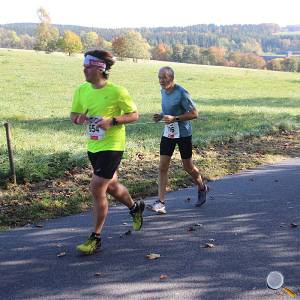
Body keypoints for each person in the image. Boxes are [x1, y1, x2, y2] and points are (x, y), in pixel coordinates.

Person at [70, 50, 145, 255]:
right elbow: (74, 115)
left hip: (112, 146)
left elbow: (134, 114)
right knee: (111, 186)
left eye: (88, 66)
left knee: (96, 187)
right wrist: (79, 119)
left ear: (100, 68)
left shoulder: (117, 91)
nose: (84, 69)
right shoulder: (81, 90)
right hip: (93, 146)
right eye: (84, 65)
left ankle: (95, 238)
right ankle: (134, 207)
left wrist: (112, 121)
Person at [147, 66, 208, 214]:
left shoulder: (182, 92)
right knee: (162, 166)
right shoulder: (163, 91)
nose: (161, 80)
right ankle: (160, 202)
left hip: (183, 134)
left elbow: (194, 114)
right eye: (159, 77)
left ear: (171, 78)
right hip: (169, 133)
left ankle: (201, 186)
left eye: (164, 77)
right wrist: (161, 115)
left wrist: (175, 118)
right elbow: (169, 110)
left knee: (188, 166)